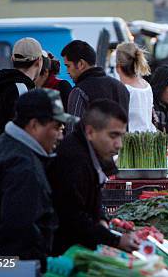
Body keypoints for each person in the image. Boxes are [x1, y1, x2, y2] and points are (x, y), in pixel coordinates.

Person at [0, 89, 78, 270]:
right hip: (1, 267)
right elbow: (19, 232)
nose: (60, 135)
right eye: (56, 127)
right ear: (34, 125)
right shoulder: (22, 164)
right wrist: (38, 265)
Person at [47, 100, 141, 255]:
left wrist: (102, 219)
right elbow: (72, 216)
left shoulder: (91, 152)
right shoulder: (73, 160)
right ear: (90, 132)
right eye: (113, 135)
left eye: (121, 136)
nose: (119, 145)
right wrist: (115, 240)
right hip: (62, 253)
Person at [0, 37, 44, 139]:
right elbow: (25, 131)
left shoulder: (1, 85)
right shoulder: (21, 89)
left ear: (12, 59)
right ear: (39, 60)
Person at [61, 40, 130, 134]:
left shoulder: (79, 92)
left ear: (81, 64)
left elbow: (73, 132)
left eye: (68, 66)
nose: (67, 71)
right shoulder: (121, 87)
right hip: (119, 147)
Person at [115, 42, 157, 133]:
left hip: (131, 142)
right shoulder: (146, 85)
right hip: (149, 137)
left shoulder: (124, 89)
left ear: (118, 67)